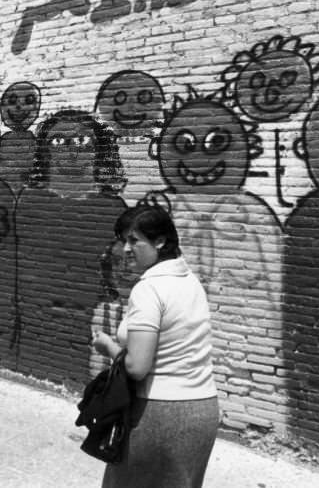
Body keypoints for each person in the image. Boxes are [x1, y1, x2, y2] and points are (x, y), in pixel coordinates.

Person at [92, 205, 218, 488]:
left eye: (134, 240)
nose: (125, 249)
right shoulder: (191, 281)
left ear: (160, 241)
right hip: (203, 412)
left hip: (159, 414)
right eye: (124, 240)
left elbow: (137, 367)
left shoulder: (149, 289)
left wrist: (109, 347)